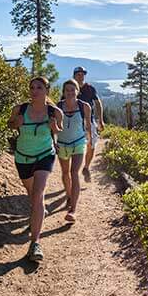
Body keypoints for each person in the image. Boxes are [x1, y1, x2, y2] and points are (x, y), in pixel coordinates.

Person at [7, 76, 63, 261]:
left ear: (47, 90)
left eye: (39, 87)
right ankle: (38, 212)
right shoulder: (20, 109)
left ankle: (35, 243)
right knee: (32, 195)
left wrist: (55, 128)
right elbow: (10, 124)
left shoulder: (54, 112)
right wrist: (17, 123)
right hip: (23, 157)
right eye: (32, 87)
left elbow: (58, 130)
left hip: (45, 155)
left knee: (38, 194)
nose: (34, 90)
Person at [56, 79, 92, 223]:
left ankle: (73, 210)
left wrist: (89, 141)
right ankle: (69, 195)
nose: (70, 93)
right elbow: (53, 126)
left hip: (78, 143)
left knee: (73, 172)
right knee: (65, 173)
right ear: (63, 92)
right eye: (67, 90)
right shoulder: (58, 107)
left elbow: (88, 126)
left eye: (73, 90)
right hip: (62, 144)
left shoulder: (85, 107)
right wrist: (53, 142)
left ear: (77, 91)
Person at [73, 66, 104, 182]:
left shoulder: (90, 88)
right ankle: (74, 171)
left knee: (91, 146)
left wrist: (100, 120)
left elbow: (98, 103)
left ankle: (86, 167)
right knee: (76, 147)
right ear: (74, 75)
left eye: (82, 74)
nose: (81, 76)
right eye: (78, 74)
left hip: (89, 122)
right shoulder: (71, 88)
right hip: (75, 122)